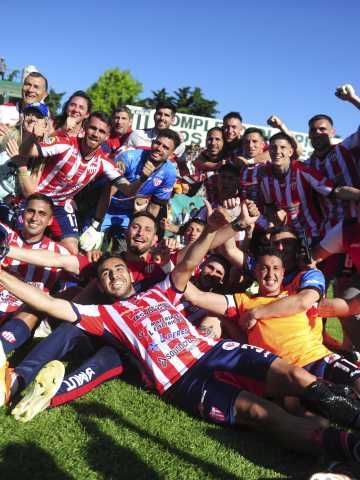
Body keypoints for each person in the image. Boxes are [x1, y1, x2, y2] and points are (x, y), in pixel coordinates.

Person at [2, 205, 360, 467]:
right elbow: (46, 302)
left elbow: (189, 264)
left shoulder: (160, 290)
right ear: (101, 284)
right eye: (106, 274)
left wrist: (209, 231)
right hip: (180, 380)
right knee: (259, 413)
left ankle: (354, 417)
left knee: (296, 377)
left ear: (129, 273)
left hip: (213, 352)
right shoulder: (104, 315)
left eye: (118, 269)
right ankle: (346, 446)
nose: (113, 275)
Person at [13, 111, 123, 254]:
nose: (96, 134)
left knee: (72, 250)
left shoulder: (104, 162)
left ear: (107, 136)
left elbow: (129, 190)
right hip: (36, 198)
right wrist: (33, 136)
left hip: (60, 204)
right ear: (84, 127)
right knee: (22, 242)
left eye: (101, 131)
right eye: (93, 128)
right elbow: (25, 151)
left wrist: (144, 177)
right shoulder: (65, 143)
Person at [80, 129, 179, 251]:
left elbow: (155, 206)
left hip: (129, 213)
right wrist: (96, 223)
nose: (159, 148)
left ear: (172, 154)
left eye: (165, 147)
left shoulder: (170, 173)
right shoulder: (129, 157)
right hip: (105, 206)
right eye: (157, 143)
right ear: (153, 142)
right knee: (86, 246)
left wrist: (147, 228)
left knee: (130, 251)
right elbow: (109, 191)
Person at [0, 193, 70, 355]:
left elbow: (79, 280)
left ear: (50, 220)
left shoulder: (60, 254)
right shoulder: (6, 237)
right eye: (30, 211)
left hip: (22, 314)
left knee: (34, 308)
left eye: (42, 213)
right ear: (23, 214)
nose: (34, 218)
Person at [307, 84, 360, 228]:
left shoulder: (346, 147)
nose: (317, 132)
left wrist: (352, 99)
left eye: (322, 129)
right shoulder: (306, 166)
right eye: (313, 130)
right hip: (329, 229)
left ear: (332, 132)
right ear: (309, 135)